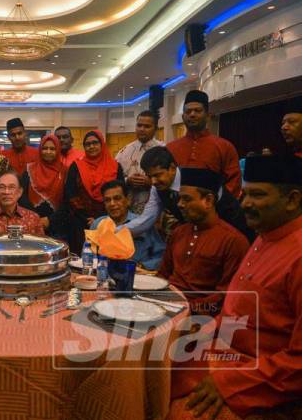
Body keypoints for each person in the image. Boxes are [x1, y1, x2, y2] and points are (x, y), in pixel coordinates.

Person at [169, 155, 302, 420]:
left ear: (292, 200)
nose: (246, 204)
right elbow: (240, 310)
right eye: (244, 194)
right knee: (154, 373)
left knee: (180, 411)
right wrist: (207, 327)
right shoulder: (264, 236)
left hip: (262, 381)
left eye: (258, 195)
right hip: (225, 350)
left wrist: (228, 384)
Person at [158, 168, 249, 315]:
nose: (180, 204)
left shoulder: (233, 241)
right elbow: (163, 274)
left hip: (200, 317)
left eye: (186, 199)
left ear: (208, 201)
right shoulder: (179, 232)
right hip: (165, 307)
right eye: (179, 198)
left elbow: (224, 295)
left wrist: (187, 308)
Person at [126, 147, 254, 243]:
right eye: (149, 176)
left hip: (234, 230)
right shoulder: (158, 188)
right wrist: (114, 232)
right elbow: (146, 219)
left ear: (171, 168)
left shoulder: (199, 178)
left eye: (157, 175)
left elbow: (224, 210)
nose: (153, 181)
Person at [167, 90, 242, 198]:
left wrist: (218, 206)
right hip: (177, 208)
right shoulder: (170, 148)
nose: (192, 114)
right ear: (183, 117)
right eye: (188, 111)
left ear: (207, 115)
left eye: (197, 110)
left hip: (213, 210)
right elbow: (163, 181)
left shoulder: (225, 147)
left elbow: (233, 183)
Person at [64, 130, 123, 252]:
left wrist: (99, 219)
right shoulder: (76, 167)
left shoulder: (115, 167)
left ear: (102, 144)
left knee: (106, 254)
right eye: (87, 144)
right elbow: (71, 194)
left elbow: (120, 195)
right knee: (81, 257)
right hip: (80, 222)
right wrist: (86, 218)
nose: (91, 147)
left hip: (109, 220)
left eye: (95, 143)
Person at [92, 180, 165, 270]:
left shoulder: (143, 224)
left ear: (128, 200)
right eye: (107, 200)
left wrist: (143, 266)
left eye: (117, 198)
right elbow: (88, 254)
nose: (112, 204)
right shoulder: (98, 224)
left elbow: (161, 255)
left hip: (139, 276)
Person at [19, 134, 69, 239]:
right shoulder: (29, 169)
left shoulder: (65, 171)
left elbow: (68, 201)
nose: (48, 152)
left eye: (52, 149)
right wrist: (36, 218)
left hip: (58, 225)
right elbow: (22, 196)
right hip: (31, 223)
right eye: (45, 148)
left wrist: (50, 220)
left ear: (58, 150)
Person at [115, 110, 164, 214]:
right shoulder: (125, 151)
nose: (142, 129)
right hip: (128, 208)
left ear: (155, 129)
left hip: (156, 207)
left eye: (147, 126)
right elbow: (114, 178)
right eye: (139, 125)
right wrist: (128, 180)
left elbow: (172, 181)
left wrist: (151, 182)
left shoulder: (164, 150)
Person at [0, 171, 44, 238]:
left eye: (11, 187)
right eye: (2, 187)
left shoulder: (33, 219)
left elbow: (41, 248)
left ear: (20, 192)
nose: (6, 192)